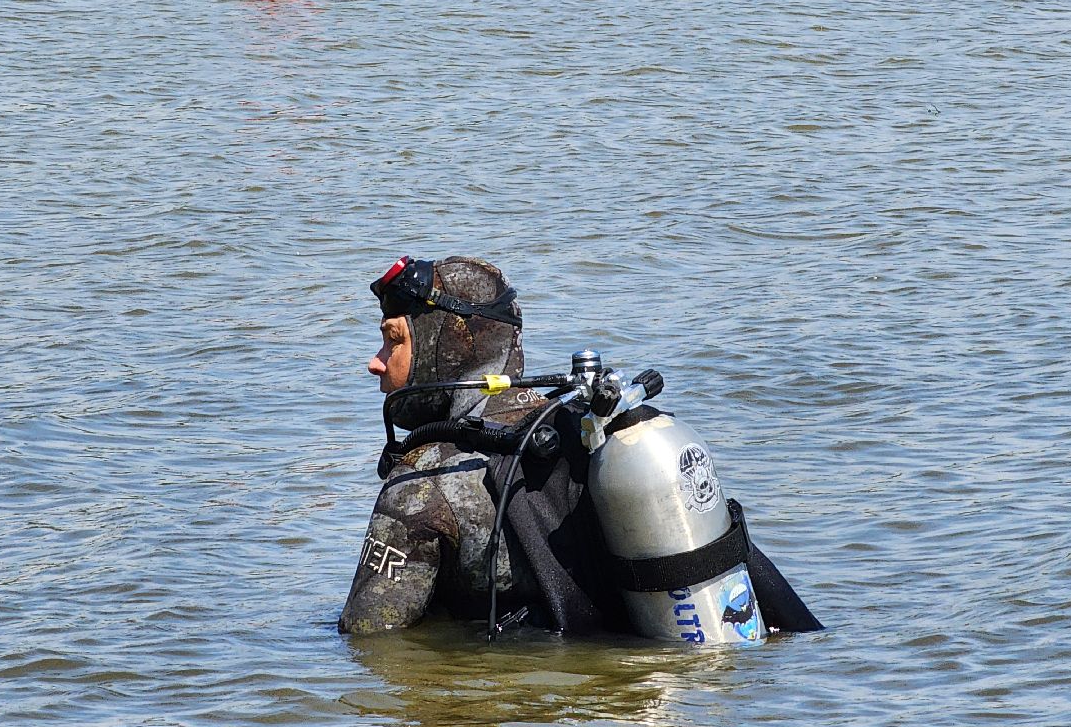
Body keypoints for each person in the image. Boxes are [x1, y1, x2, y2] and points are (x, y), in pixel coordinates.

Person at [338, 256, 825, 639]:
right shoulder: (585, 430)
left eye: (392, 342)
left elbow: (369, 640)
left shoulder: (423, 485)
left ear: (444, 347)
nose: (375, 363)